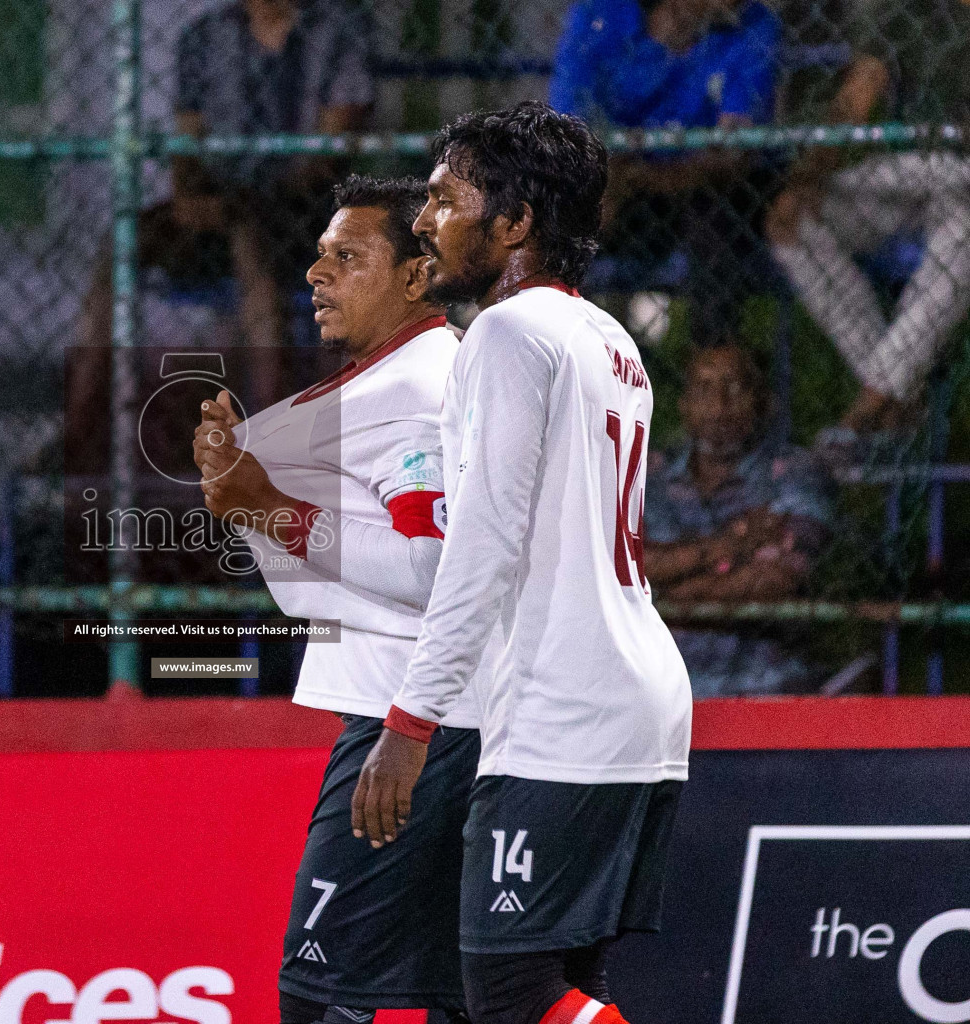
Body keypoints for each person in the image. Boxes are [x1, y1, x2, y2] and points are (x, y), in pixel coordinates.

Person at [351, 104, 691, 1024]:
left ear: (516, 223)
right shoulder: (612, 341)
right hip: (635, 702)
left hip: (566, 710)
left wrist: (409, 723)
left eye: (444, 197)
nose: (423, 219)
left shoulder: (506, 336)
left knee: (507, 993)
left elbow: (484, 545)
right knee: (563, 989)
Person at [193, 177, 484, 1024]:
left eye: (347, 257)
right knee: (465, 998)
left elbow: (431, 564)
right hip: (455, 724)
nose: (317, 275)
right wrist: (247, 492)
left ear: (416, 277)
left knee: (318, 998)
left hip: (411, 730)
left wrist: (263, 507)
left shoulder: (417, 388)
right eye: (318, 257)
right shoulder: (422, 375)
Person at [78, 0, 373, 350]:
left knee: (250, 239)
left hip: (303, 211)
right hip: (215, 200)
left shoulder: (337, 35)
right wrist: (190, 197)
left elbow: (327, 159)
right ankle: (86, 398)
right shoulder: (205, 36)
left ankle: (271, 398)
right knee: (123, 240)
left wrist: (248, 204)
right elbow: (187, 145)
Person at [766, 0, 970, 452]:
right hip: (921, 166)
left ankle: (873, 399)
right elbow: (858, 95)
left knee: (964, 232)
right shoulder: (907, 10)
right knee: (791, 222)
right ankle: (895, 389)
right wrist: (810, 177)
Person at [550, 0, 781, 349]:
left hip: (702, 188)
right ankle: (557, 350)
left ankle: (710, 372)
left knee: (716, 213)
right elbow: (565, 125)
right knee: (565, 204)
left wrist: (639, 176)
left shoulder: (752, 24)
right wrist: (607, 176)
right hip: (622, 186)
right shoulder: (603, 13)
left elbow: (734, 153)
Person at [642, 347, 835, 696]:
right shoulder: (650, 477)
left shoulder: (794, 472)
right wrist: (733, 545)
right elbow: (627, 565)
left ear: (763, 401)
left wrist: (668, 593)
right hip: (662, 691)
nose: (718, 407)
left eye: (734, 389)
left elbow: (776, 579)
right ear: (683, 405)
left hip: (769, 688)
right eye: (703, 390)